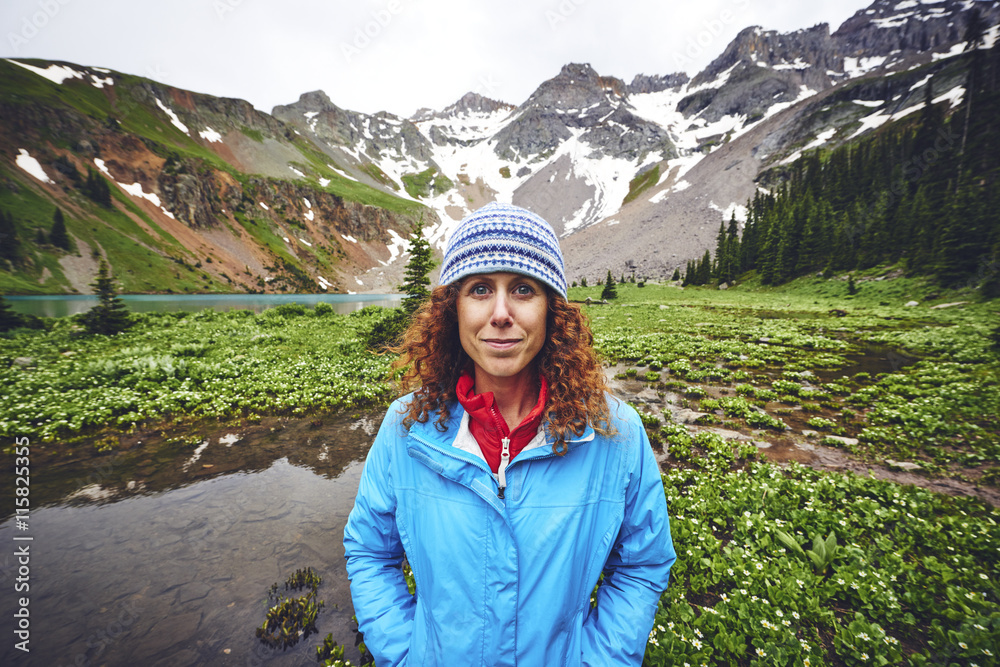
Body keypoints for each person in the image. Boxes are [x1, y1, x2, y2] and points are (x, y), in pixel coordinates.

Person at [343, 202, 675, 666]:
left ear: (552, 311)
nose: (501, 313)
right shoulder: (405, 429)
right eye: (480, 289)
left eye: (522, 289)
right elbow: (370, 553)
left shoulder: (615, 434)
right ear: (452, 310)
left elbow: (642, 565)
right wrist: (404, 655)